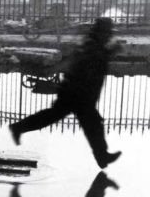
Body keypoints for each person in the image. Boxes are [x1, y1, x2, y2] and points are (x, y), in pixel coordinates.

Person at [9, 18, 122, 169]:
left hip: (79, 93)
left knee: (80, 122)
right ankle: (102, 156)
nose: (108, 36)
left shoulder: (93, 45)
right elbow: (89, 59)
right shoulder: (91, 47)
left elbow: (83, 59)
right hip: (76, 94)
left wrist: (109, 51)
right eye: (107, 33)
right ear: (100, 33)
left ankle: (102, 156)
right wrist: (111, 51)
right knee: (90, 124)